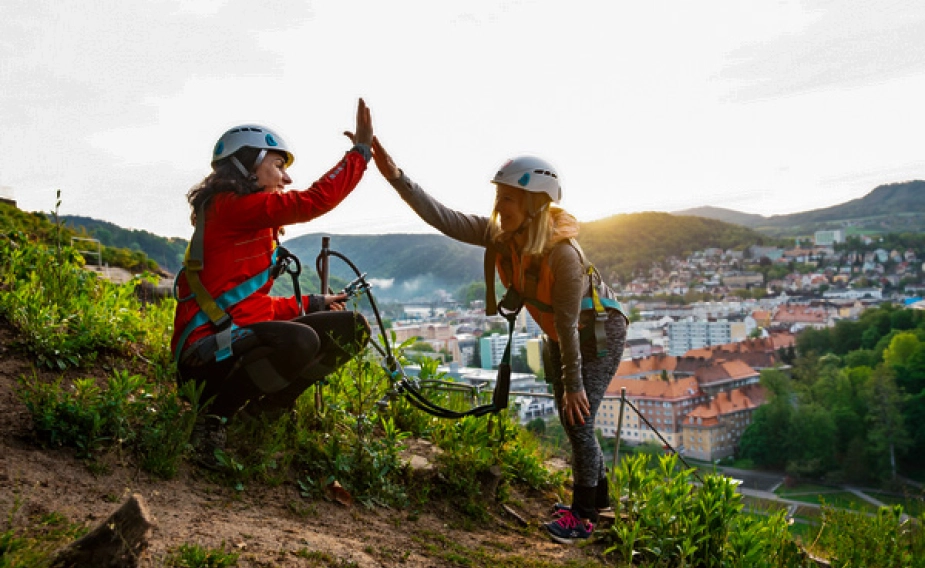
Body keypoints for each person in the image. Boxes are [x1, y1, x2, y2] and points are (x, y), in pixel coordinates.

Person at [367, 137, 628, 544]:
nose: (498, 207)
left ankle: (584, 514)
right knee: (574, 419)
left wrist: (574, 384)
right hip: (562, 334)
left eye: (507, 198)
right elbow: (443, 218)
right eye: (499, 197)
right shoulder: (504, 237)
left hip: (596, 333)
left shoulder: (564, 256)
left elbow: (568, 321)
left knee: (578, 418)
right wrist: (396, 177)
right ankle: (602, 503)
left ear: (535, 204)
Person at [172, 99, 374, 467]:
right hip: (201, 360)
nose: (286, 178)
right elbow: (315, 200)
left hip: (230, 343)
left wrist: (313, 302)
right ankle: (213, 421)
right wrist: (360, 153)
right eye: (277, 165)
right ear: (248, 164)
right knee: (300, 339)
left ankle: (264, 412)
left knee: (352, 329)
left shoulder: (249, 224)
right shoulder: (228, 207)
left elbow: (251, 308)